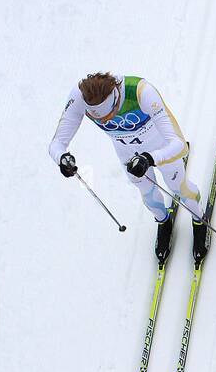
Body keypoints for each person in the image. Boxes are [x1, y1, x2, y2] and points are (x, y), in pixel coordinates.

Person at [48, 72, 207, 260]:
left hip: (161, 147)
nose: (106, 122)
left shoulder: (142, 92)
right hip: (127, 153)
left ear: (116, 100)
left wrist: (150, 158)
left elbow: (178, 144)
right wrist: (62, 158)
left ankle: (199, 221)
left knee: (179, 188)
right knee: (147, 194)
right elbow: (56, 144)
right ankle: (163, 222)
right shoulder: (79, 96)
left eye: (109, 115)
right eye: (98, 119)